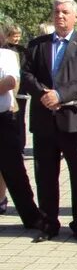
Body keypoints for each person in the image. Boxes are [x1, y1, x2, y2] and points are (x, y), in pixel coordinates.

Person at [21, 0, 77, 242]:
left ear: (76, 16)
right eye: (56, 11)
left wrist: (61, 95)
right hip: (45, 119)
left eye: (65, 12)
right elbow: (26, 74)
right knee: (45, 175)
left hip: (75, 120)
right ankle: (48, 224)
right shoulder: (37, 45)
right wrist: (45, 94)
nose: (60, 16)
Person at [0, 25, 46, 232]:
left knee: (14, 170)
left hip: (3, 120)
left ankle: (31, 216)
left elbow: (10, 81)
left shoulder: (6, 55)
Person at [5, 24, 28, 152]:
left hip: (20, 91)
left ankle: (21, 145)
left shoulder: (22, 50)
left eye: (19, 36)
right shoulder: (3, 49)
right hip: (7, 90)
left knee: (20, 118)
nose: (17, 39)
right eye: (14, 36)